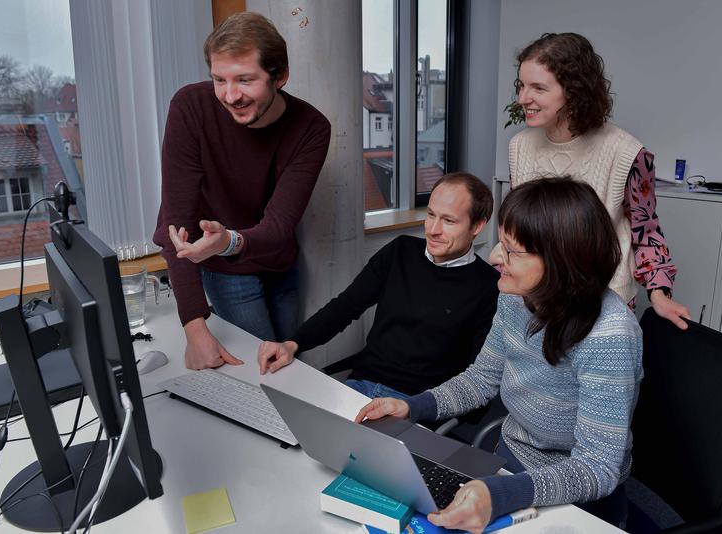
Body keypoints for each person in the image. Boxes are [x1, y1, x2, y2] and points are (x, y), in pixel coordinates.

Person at [357, 177, 643, 533]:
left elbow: (597, 468)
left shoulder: (609, 335)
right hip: (508, 462)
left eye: (512, 251)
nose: (495, 257)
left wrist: (502, 493)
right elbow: (481, 379)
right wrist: (412, 407)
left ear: (562, 262)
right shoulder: (514, 296)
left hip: (576, 497)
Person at [152, 13, 331, 370]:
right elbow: (179, 227)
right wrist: (195, 329)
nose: (230, 96)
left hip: (279, 263)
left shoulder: (311, 127)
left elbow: (279, 225)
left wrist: (229, 242)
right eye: (219, 80)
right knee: (259, 374)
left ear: (279, 76)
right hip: (224, 271)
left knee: (291, 366)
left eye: (245, 80)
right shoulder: (191, 107)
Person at [503, 32, 690, 329]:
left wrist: (660, 293)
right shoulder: (519, 146)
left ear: (574, 91)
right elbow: (520, 227)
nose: (523, 98)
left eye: (538, 87)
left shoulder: (627, 153)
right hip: (536, 297)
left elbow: (647, 231)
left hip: (602, 302)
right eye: (522, 85)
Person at [257, 173, 499, 400]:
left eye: (448, 220)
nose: (433, 230)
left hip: (416, 404)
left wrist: (421, 409)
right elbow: (346, 306)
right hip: (361, 385)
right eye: (431, 215)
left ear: (477, 226)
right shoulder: (400, 251)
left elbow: (477, 376)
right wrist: (292, 343)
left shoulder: (488, 286)